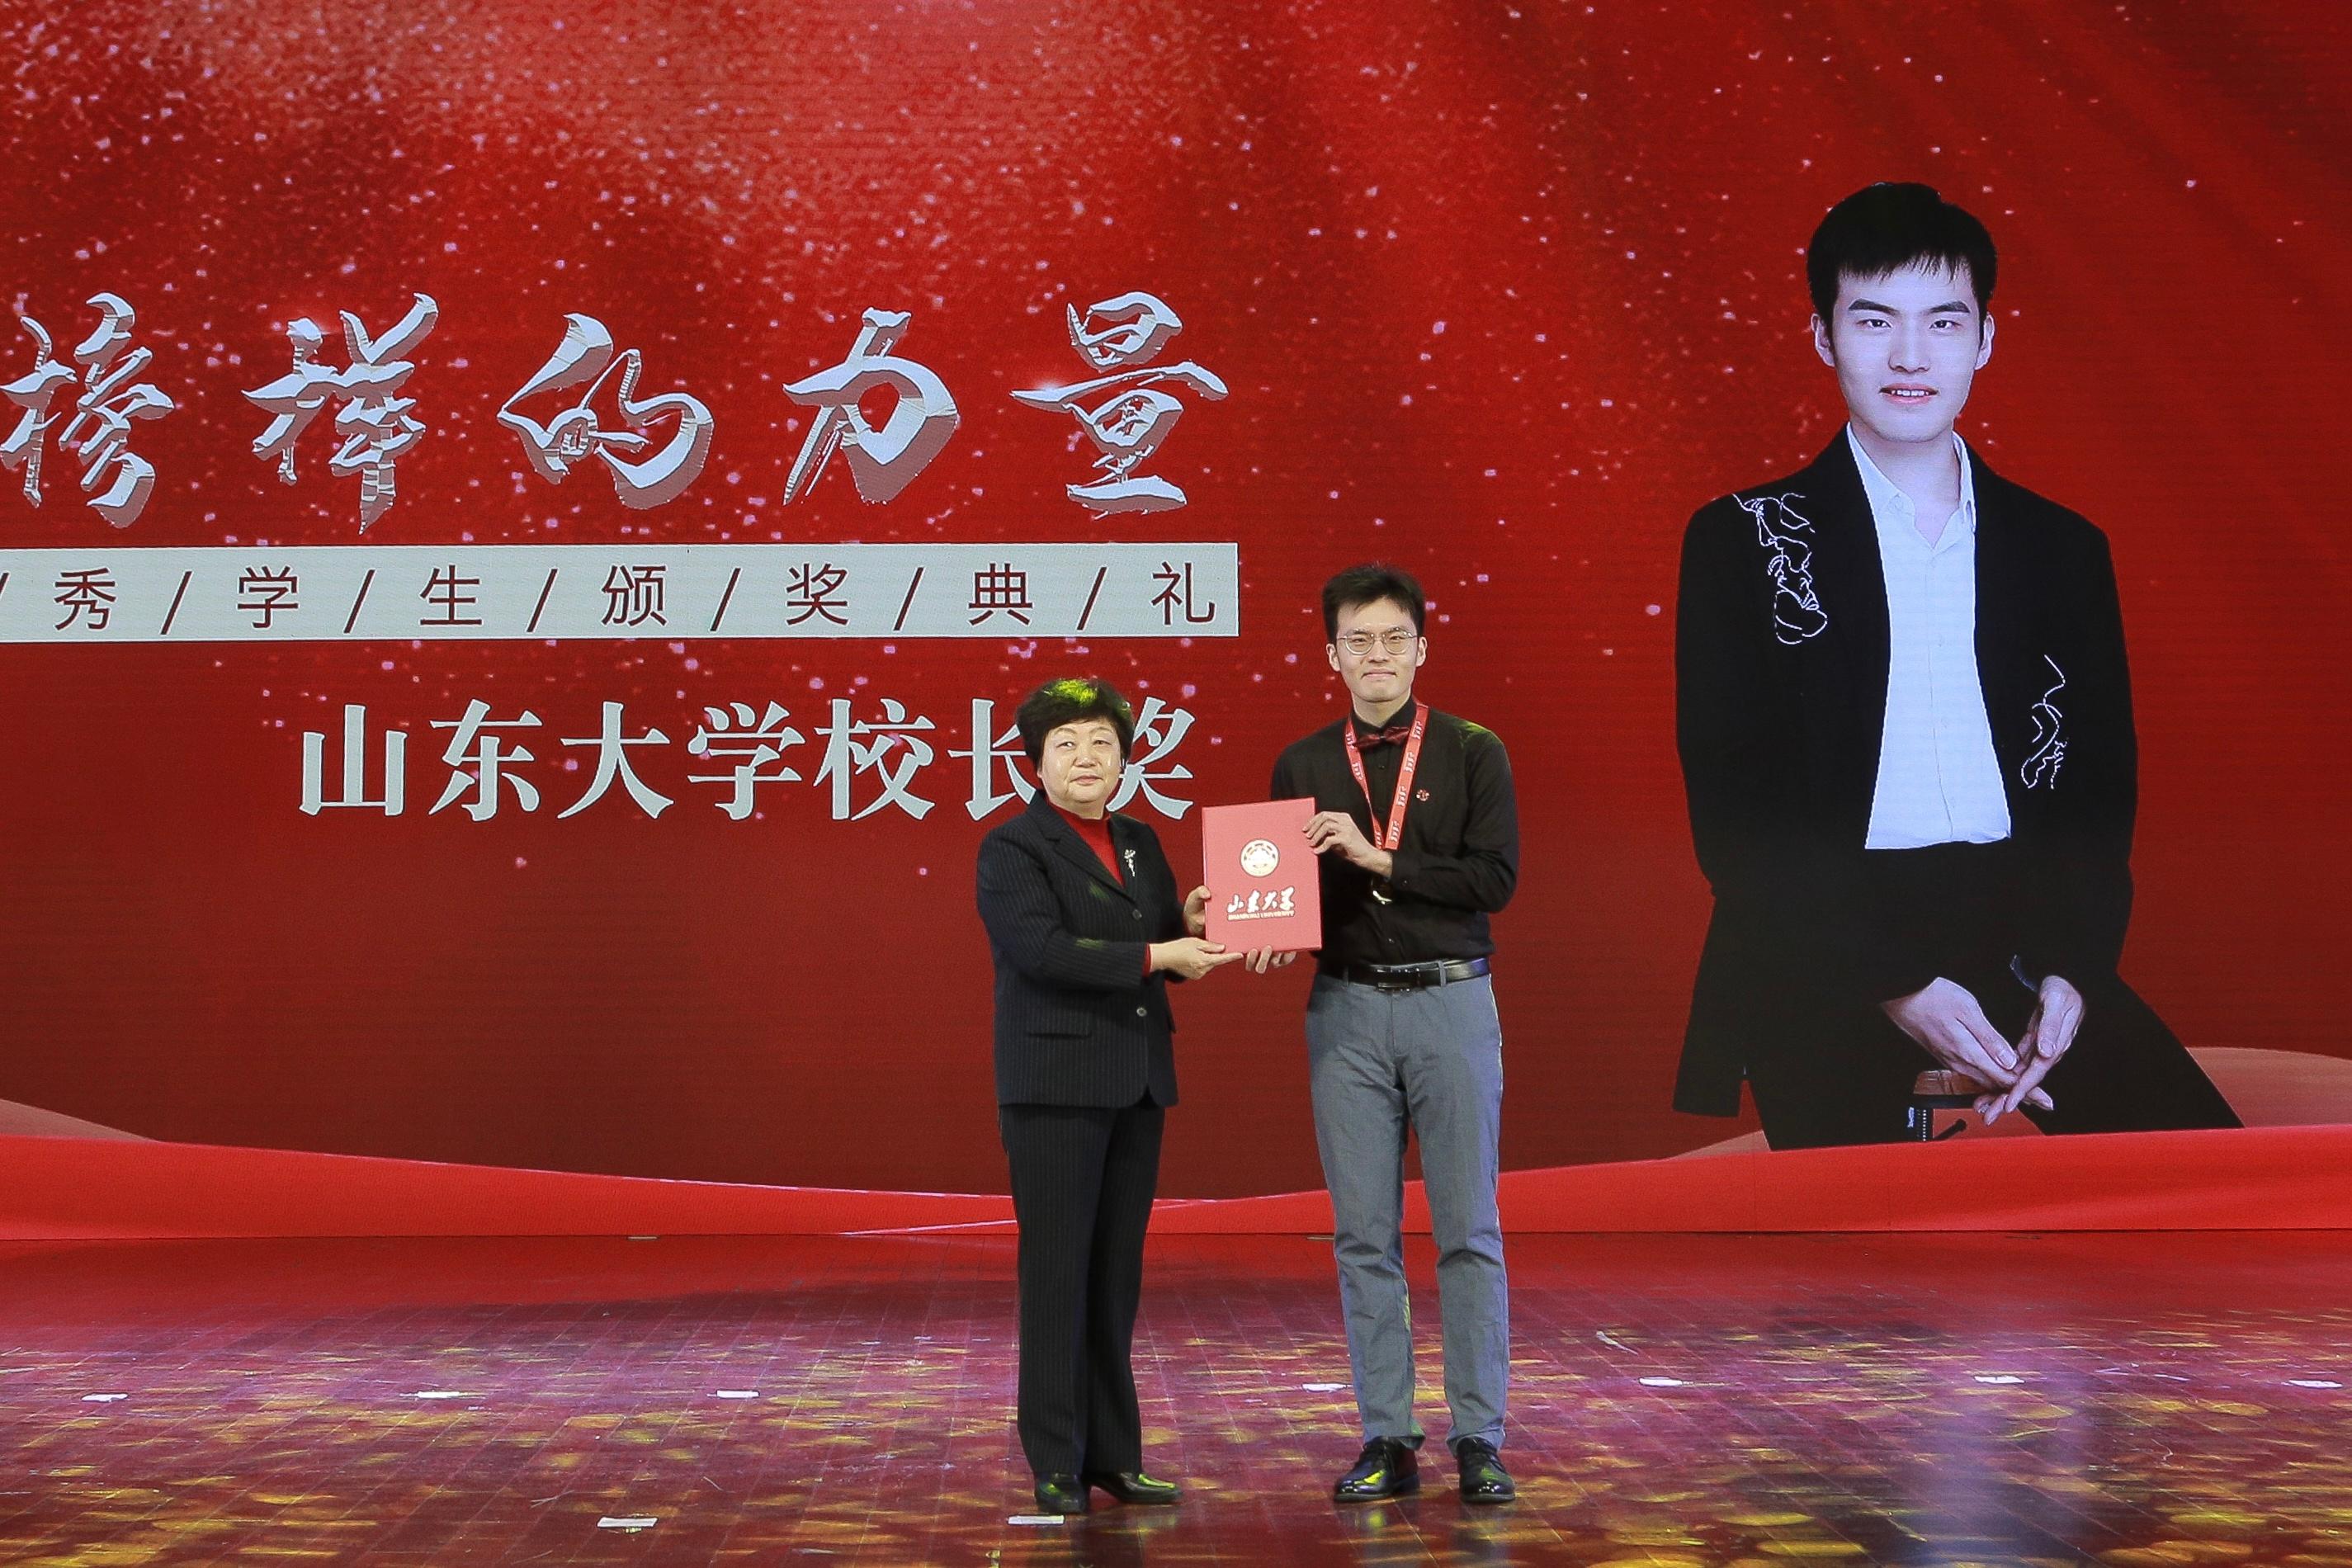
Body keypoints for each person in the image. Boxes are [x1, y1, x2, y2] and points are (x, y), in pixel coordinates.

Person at [1672, 181, 2241, 1150]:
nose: (1910, 356)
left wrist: (2073, 970)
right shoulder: (1744, 539)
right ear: (1823, 337)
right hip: (1823, 935)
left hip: (2017, 929)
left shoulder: (2062, 548)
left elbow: (2099, 793)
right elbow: (1736, 812)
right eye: (1873, 320)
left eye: (1943, 322)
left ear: (1984, 338)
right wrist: (1893, 978)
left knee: (2197, 1175)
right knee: (1884, 1241)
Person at [1267, 563, 1521, 1504]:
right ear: (1332, 655)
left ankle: (1480, 1437)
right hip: (1345, 1008)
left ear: (1421, 647)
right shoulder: (1302, 762)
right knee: (1362, 1236)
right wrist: (1256, 921)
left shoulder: (1473, 750)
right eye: (1358, 641)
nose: (1376, 655)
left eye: (1393, 638)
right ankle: (1386, 1436)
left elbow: (1494, 880)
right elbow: (1287, 889)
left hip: (1451, 1003)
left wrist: (1379, 856)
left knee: (1468, 1229)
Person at [975, 676, 1240, 1515]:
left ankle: (1115, 1457)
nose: (1086, 757)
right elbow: (1044, 951)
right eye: (1066, 744)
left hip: (1135, 1080)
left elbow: (1156, 942)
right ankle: (1056, 1457)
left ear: (1125, 759)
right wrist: (1160, 955)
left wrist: (1190, 923)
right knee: (1058, 1273)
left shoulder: (1138, 841)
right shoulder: (1012, 848)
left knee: (1115, 1276)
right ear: (1036, 763)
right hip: (1055, 1089)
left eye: (1101, 743)